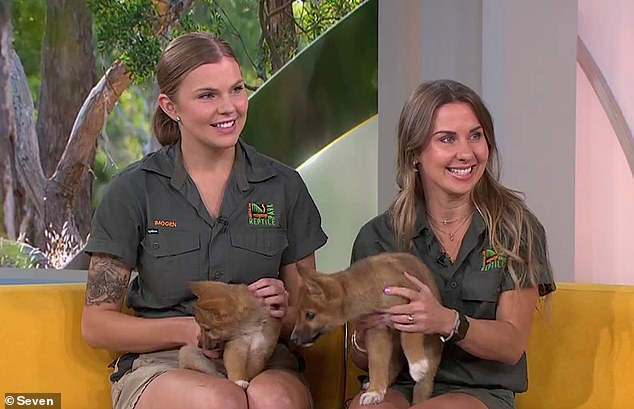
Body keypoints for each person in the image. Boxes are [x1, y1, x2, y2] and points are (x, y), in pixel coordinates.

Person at [80, 32, 327, 409]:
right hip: (164, 362)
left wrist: (282, 311)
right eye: (207, 95)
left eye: (237, 89)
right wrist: (191, 330)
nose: (228, 107)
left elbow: (310, 322)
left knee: (276, 401)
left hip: (262, 358)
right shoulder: (134, 190)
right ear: (170, 106)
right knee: (218, 402)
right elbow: (96, 325)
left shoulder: (284, 187)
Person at [347, 79, 555, 409]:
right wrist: (363, 334)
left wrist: (446, 320)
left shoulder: (517, 229)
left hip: (480, 392)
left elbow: (512, 343)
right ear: (415, 153)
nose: (466, 152)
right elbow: (361, 357)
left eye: (476, 135)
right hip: (400, 385)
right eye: (447, 139)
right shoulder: (379, 237)